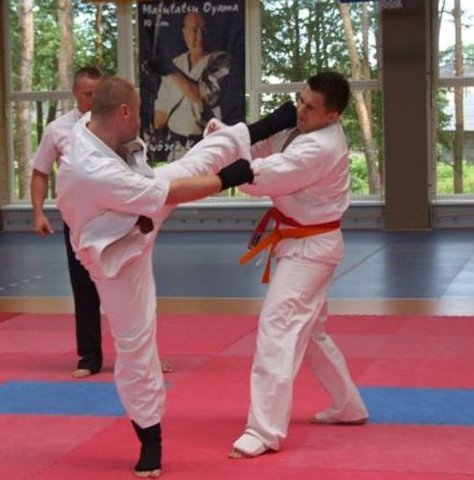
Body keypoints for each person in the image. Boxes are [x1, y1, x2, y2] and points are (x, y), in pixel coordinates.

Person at [55, 75, 262, 477]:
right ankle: (150, 439)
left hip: (133, 209)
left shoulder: (93, 128)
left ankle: (270, 124)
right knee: (135, 343)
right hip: (116, 254)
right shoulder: (90, 167)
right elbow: (172, 195)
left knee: (187, 165)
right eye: (139, 111)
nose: (144, 119)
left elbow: (165, 184)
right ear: (124, 112)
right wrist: (231, 178)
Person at [214, 71, 369, 458]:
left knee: (277, 327)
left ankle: (264, 430)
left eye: (310, 107)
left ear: (332, 116)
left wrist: (222, 159)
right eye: (300, 100)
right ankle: (349, 406)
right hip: (301, 242)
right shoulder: (300, 129)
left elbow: (261, 177)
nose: (300, 109)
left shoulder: (320, 146)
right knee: (310, 332)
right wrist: (229, 138)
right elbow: (263, 145)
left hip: (311, 250)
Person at [30, 66, 105, 379]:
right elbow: (40, 171)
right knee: (84, 288)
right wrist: (38, 212)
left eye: (99, 94)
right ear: (75, 93)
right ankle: (89, 357)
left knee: (128, 290)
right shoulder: (58, 129)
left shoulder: (116, 123)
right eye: (88, 94)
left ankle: (142, 357)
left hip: (114, 218)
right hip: (78, 221)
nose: (94, 100)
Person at [152, 11, 232, 161]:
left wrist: (171, 72)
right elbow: (162, 109)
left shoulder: (221, 60)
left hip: (205, 147)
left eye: (204, 31)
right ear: (184, 33)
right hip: (176, 148)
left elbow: (204, 96)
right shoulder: (177, 63)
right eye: (194, 30)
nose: (199, 37)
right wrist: (151, 129)